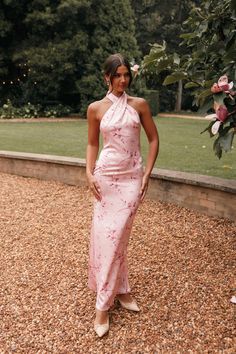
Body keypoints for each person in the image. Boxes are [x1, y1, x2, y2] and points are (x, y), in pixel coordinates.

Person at [86, 53, 159, 337]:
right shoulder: (95, 109)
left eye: (126, 74)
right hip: (104, 179)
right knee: (109, 240)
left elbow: (153, 139)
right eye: (117, 75)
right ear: (106, 77)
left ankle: (106, 301)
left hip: (131, 181)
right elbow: (93, 143)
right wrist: (89, 173)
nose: (123, 80)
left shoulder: (139, 105)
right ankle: (115, 295)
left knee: (117, 238)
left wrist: (147, 173)